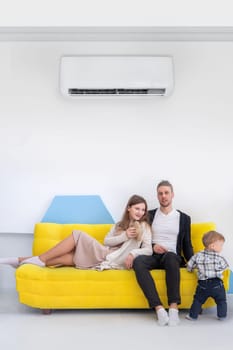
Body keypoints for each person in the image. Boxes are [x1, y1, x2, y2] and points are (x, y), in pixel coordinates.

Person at [0, 195, 152, 271]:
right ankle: (19, 261)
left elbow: (148, 250)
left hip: (110, 258)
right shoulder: (119, 225)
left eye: (143, 210)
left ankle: (38, 258)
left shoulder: (144, 227)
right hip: (103, 252)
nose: (140, 212)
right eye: (137, 208)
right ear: (129, 208)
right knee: (65, 258)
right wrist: (124, 236)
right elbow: (106, 241)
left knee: (77, 234)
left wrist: (133, 254)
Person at [133, 180, 193, 326]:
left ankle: (173, 308)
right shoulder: (149, 215)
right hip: (152, 255)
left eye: (166, 193)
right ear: (157, 196)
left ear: (172, 195)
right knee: (138, 262)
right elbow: (142, 239)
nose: (163, 196)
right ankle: (159, 309)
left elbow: (187, 244)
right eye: (160, 193)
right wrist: (153, 246)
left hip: (172, 256)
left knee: (172, 257)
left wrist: (194, 261)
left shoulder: (184, 218)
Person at [186, 230, 229, 321]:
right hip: (217, 284)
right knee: (221, 301)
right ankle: (222, 316)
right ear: (213, 246)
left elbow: (189, 266)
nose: (222, 248)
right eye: (221, 245)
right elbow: (225, 267)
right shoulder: (220, 257)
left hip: (203, 285)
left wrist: (191, 269)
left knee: (198, 300)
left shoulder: (197, 255)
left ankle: (193, 316)